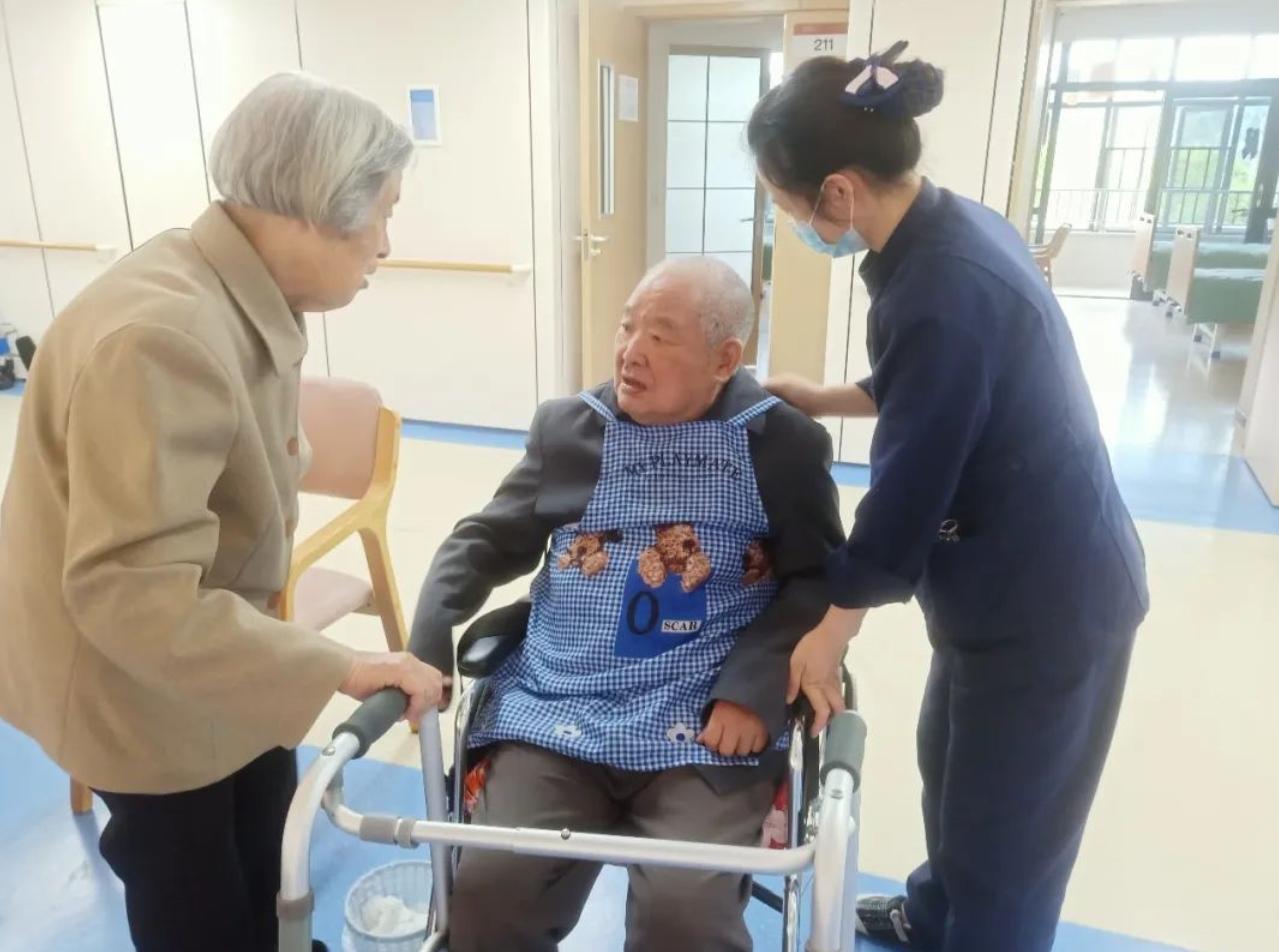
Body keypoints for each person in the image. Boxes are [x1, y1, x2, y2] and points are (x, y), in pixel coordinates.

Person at [0, 73, 446, 952]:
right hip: (135, 676)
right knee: (193, 889)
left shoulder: (225, 286)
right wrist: (338, 664)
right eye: (382, 214)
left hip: (218, 644)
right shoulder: (162, 337)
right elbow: (132, 597)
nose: (386, 245)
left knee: (265, 842)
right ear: (317, 205)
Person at [747, 42, 1149, 952]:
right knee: (953, 772)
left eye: (787, 205)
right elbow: (943, 387)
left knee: (1011, 831)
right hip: (993, 585)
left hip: (1050, 599)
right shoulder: (943, 228)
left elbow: (909, 489)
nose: (793, 222)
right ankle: (932, 918)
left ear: (837, 191)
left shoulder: (942, 285)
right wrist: (830, 397)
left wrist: (831, 631)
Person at [410, 257, 846, 951]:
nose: (630, 352)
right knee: (490, 890)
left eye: (662, 336)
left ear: (724, 359)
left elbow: (817, 578)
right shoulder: (570, 430)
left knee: (684, 911)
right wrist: (427, 639)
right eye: (626, 327)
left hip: (703, 718)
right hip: (558, 704)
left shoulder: (780, 444)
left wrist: (753, 686)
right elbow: (484, 540)